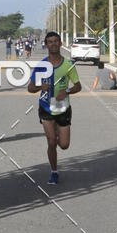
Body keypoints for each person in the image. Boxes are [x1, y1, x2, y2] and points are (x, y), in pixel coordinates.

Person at [28, 31, 81, 185]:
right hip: (46, 107)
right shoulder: (42, 66)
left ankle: (58, 132)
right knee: (51, 142)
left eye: (56, 41)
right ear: (46, 45)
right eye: (50, 41)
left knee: (64, 145)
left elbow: (78, 86)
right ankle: (54, 171)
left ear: (60, 44)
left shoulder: (68, 65)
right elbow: (30, 88)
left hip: (63, 108)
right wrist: (39, 86)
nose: (53, 44)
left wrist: (68, 91)